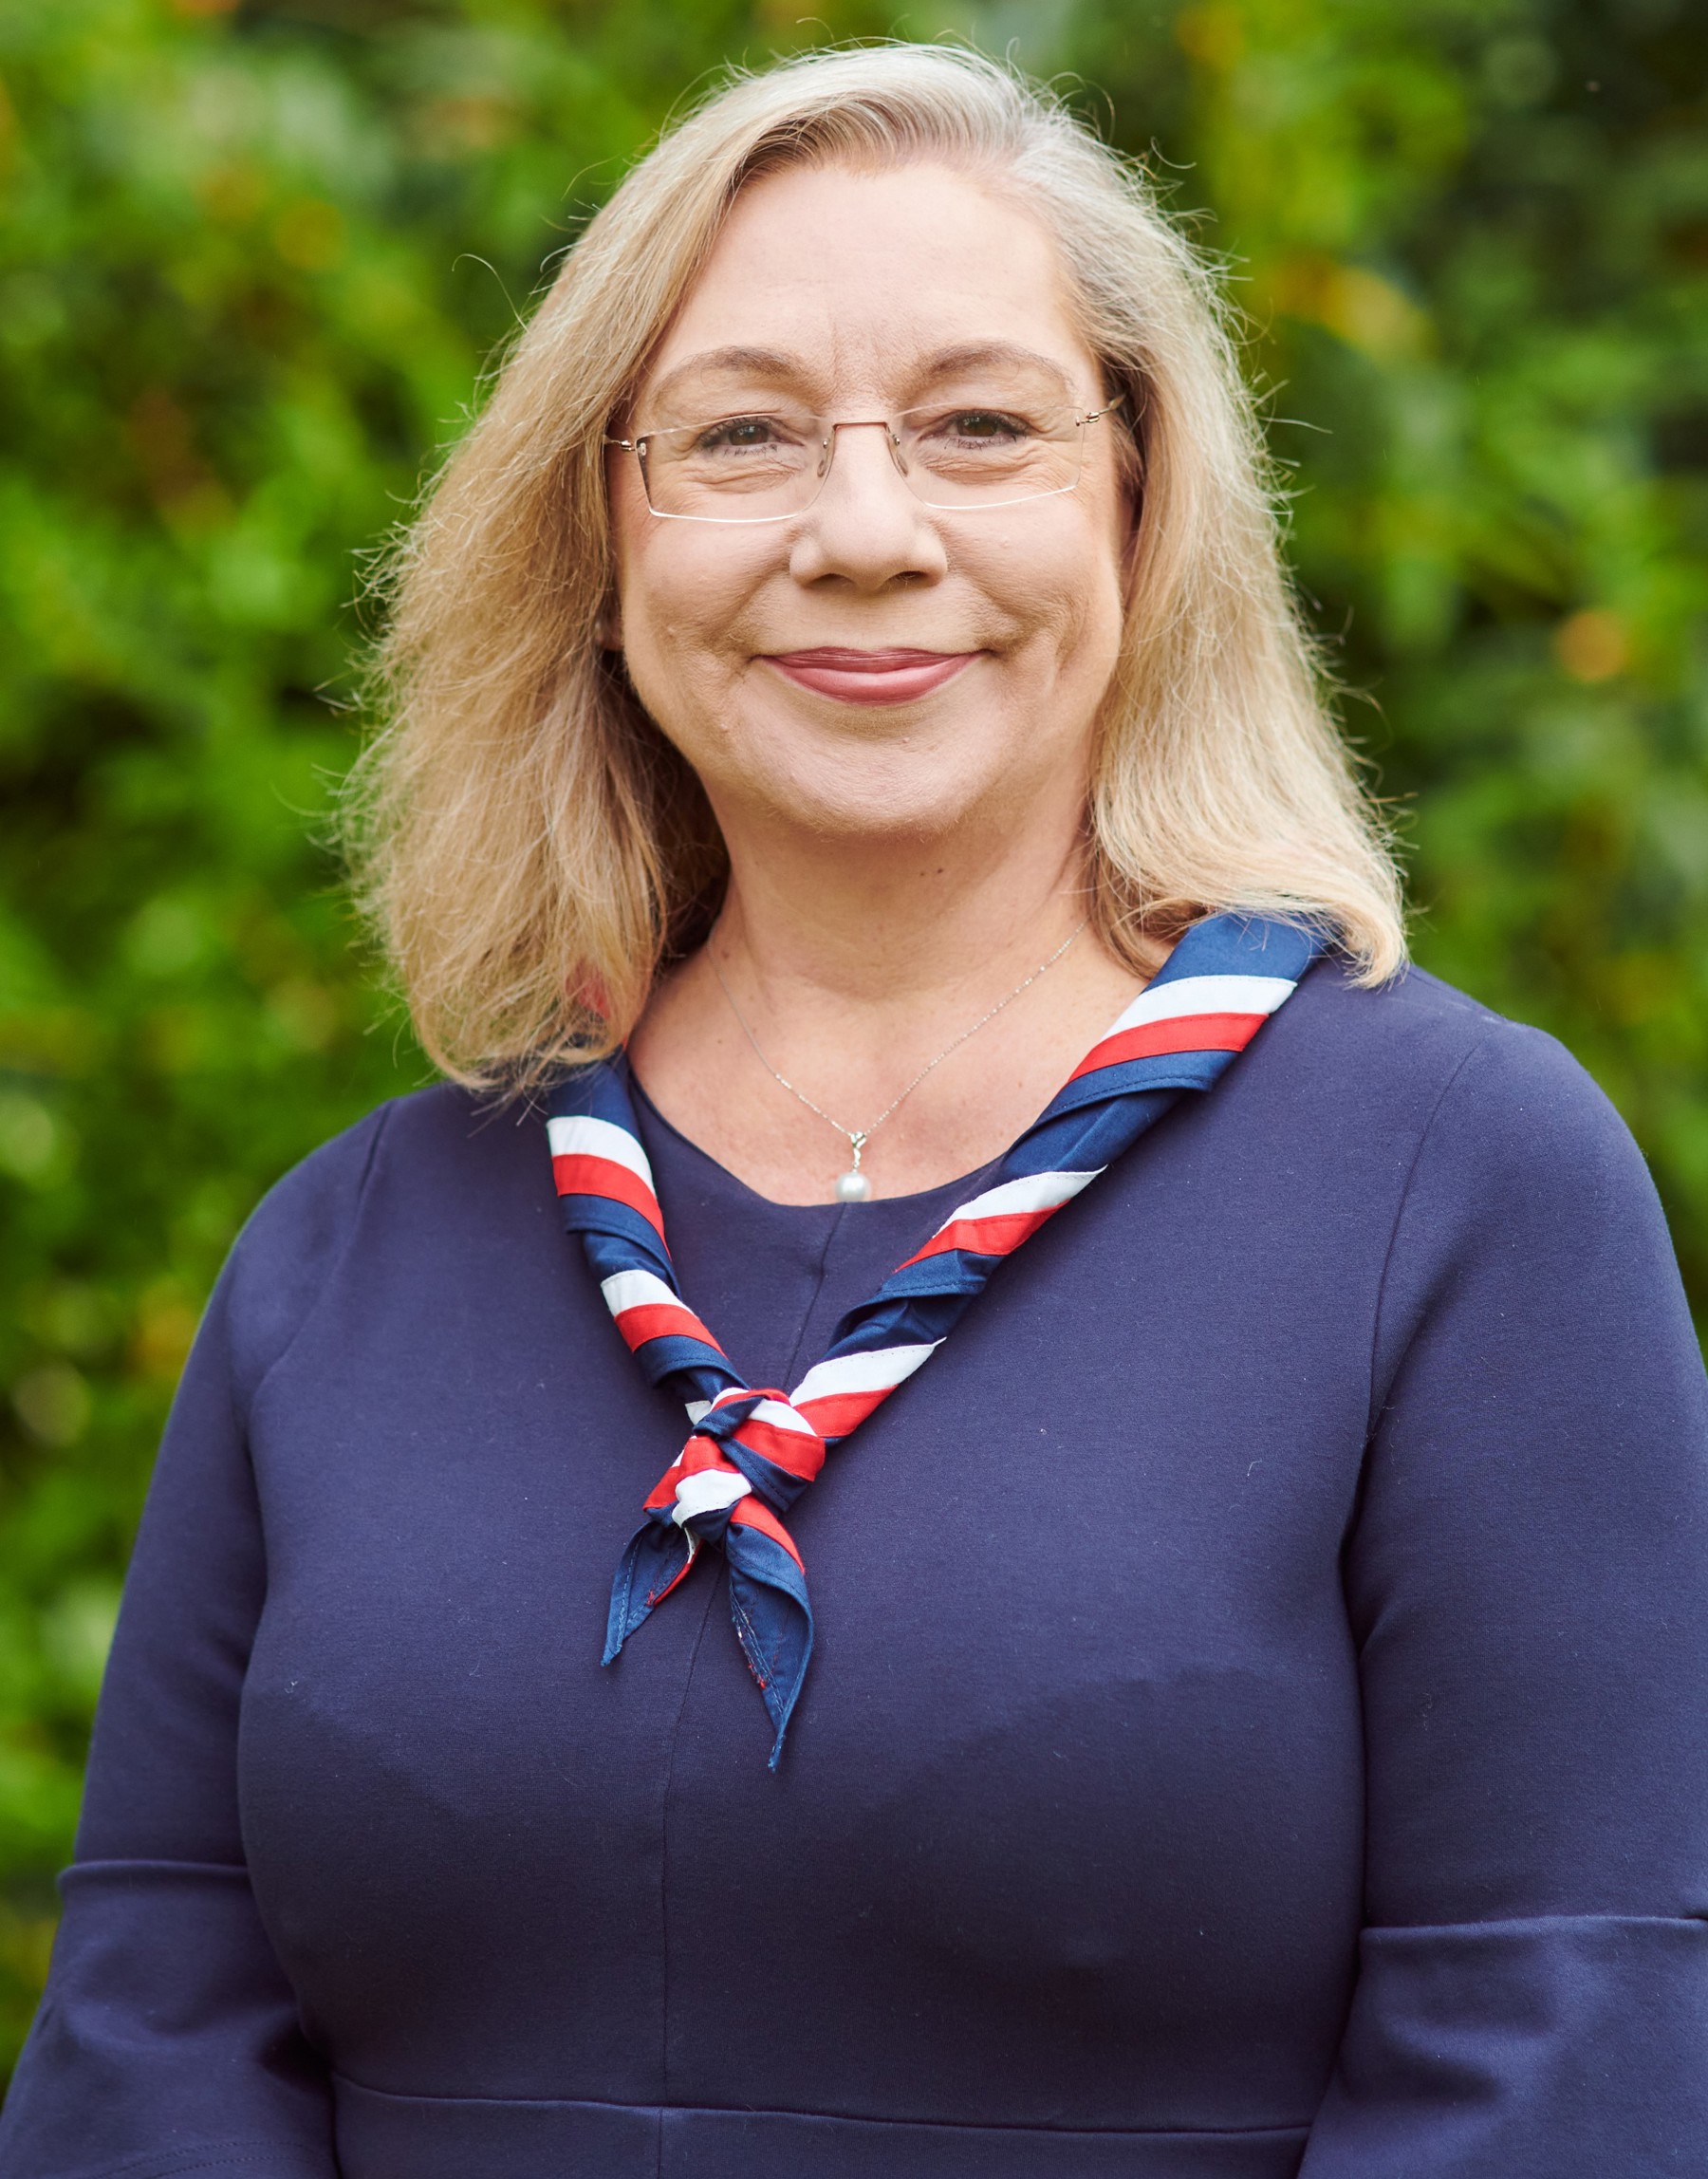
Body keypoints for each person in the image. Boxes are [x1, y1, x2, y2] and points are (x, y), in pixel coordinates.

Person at [3, 43, 1704, 2179]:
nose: (867, 532)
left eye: (984, 425)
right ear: (600, 527)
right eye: (742, 436)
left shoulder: (1463, 1194)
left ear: (1143, 497)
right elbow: (156, 2040)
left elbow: (1562, 2062)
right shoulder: (351, 1248)